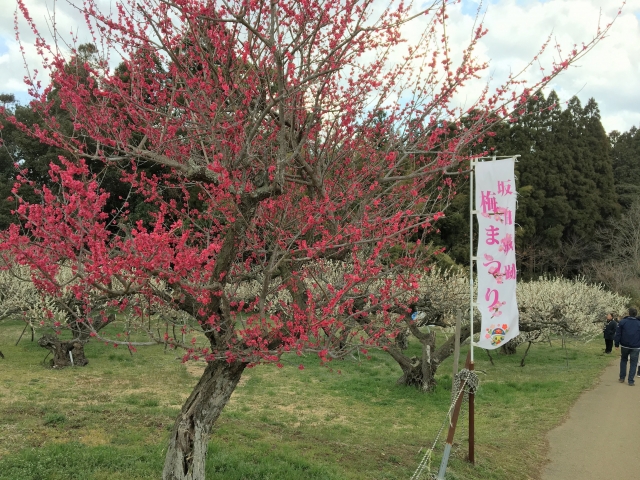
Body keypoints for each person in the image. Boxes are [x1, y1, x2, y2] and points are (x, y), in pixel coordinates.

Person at [614, 308, 640, 386]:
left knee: (623, 360)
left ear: (629, 313)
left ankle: (622, 377)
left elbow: (618, 334)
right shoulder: (639, 323)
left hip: (625, 345)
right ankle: (631, 381)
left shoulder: (623, 322)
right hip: (636, 346)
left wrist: (616, 344)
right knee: (633, 363)